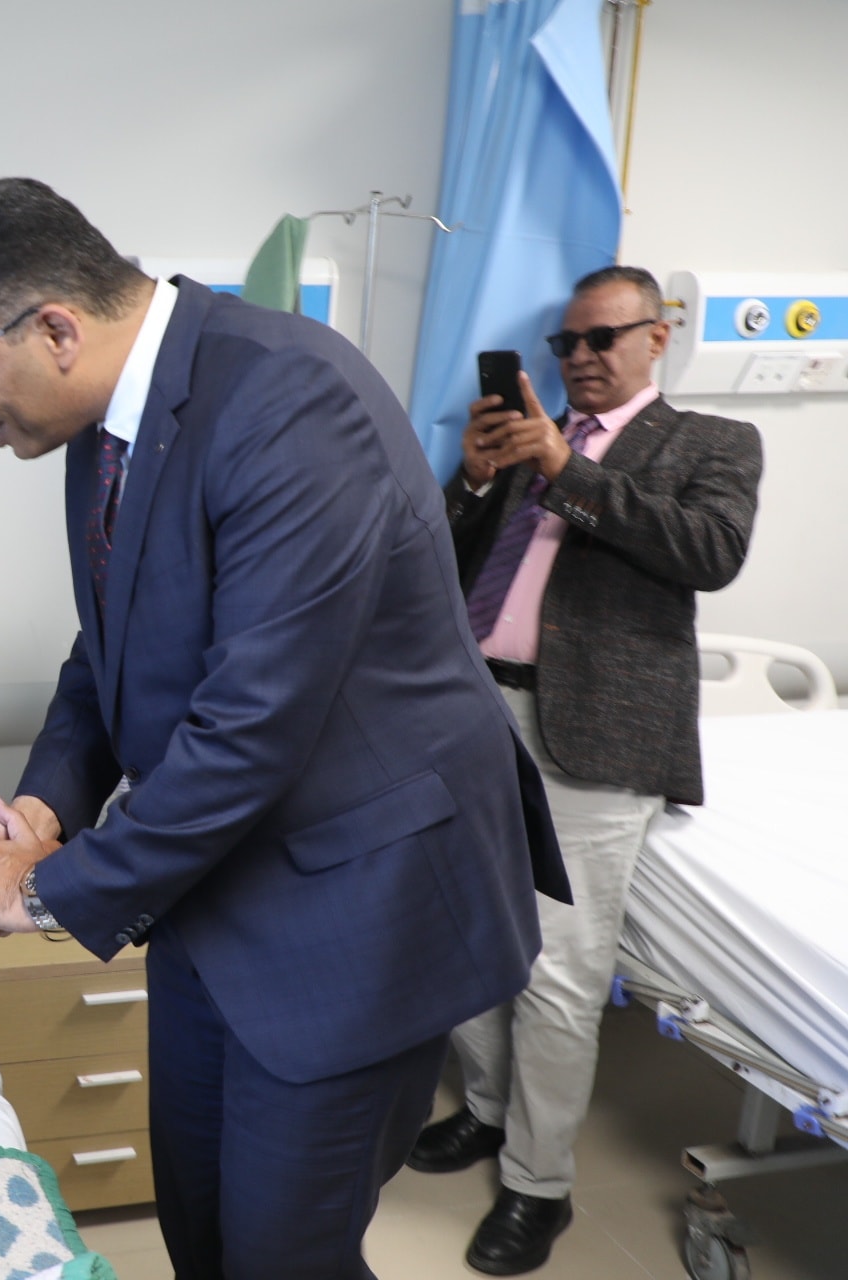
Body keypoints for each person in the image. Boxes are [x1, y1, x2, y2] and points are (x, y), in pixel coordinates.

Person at [0, 177, 570, 1280]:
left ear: (55, 329)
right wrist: (41, 811)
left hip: (356, 908)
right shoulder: (108, 428)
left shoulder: (290, 400)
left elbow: (255, 719)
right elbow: (105, 651)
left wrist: (43, 890)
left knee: (283, 1256)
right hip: (217, 895)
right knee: (201, 1232)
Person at [406, 265, 762, 1275]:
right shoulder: (528, 438)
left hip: (597, 735)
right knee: (462, 934)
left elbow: (709, 549)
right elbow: (439, 563)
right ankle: (486, 1110)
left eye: (604, 338)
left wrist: (567, 467)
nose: (582, 357)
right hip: (477, 711)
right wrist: (477, 480)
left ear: (658, 336)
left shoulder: (711, 442)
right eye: (568, 343)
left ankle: (539, 1182)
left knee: (557, 971)